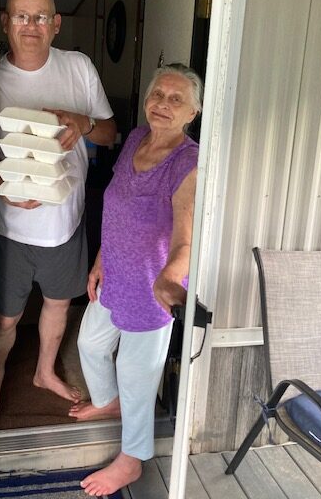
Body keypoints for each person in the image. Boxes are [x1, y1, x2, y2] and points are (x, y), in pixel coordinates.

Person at [69, 65, 203, 496]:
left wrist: (169, 280)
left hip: (149, 286)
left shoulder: (190, 162)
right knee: (90, 343)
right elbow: (117, 206)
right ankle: (109, 404)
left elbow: (186, 240)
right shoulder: (134, 140)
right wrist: (100, 261)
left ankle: (131, 461)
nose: (162, 103)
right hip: (116, 274)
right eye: (157, 94)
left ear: (193, 112)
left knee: (136, 374)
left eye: (175, 99)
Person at [0, 0, 116, 414]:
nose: (31, 25)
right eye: (21, 16)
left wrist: (83, 123)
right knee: (5, 317)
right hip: (10, 225)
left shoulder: (78, 68)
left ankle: (44, 371)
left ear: (56, 24)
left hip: (65, 220)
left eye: (41, 17)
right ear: (5, 22)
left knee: (58, 303)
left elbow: (110, 132)